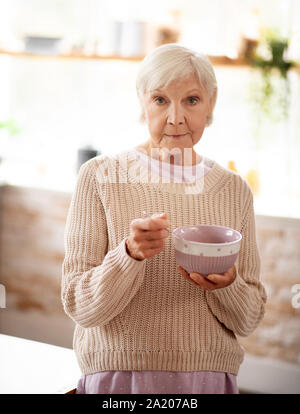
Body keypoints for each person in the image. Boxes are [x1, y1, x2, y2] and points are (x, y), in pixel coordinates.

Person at [61, 43, 267, 394]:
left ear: (211, 103)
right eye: (160, 100)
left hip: (208, 381)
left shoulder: (234, 191)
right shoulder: (99, 177)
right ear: (142, 102)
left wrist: (227, 283)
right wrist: (128, 255)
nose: (175, 118)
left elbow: (248, 319)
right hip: (120, 380)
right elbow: (79, 304)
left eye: (191, 100)